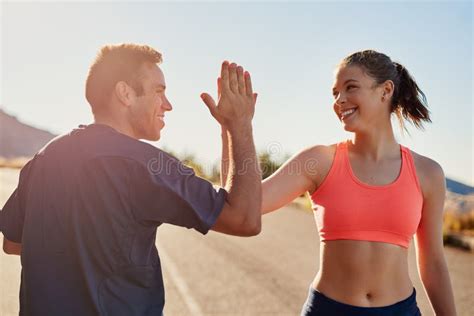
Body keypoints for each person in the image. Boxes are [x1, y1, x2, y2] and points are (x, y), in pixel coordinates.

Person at [0, 43, 261, 315]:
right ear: (125, 93)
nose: (168, 105)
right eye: (159, 92)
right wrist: (238, 125)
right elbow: (244, 219)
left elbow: (13, 242)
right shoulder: (145, 164)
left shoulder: (44, 158)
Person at [221, 50, 457, 315]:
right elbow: (241, 205)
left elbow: (434, 263)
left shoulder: (427, 173)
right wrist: (234, 126)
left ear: (385, 90)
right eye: (334, 93)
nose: (339, 100)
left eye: (350, 88)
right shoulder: (318, 161)